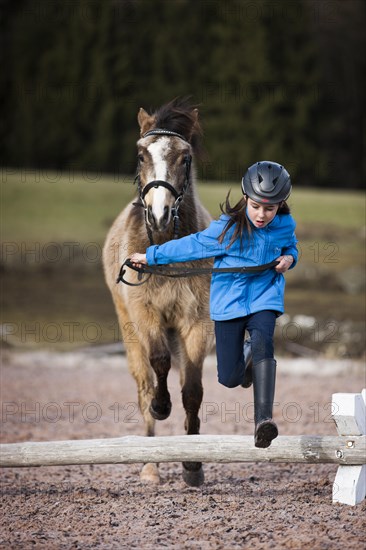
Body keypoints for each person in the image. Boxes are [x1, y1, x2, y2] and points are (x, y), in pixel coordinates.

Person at [130, 161, 298, 448]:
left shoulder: (284, 226)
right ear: (246, 198)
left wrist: (290, 259)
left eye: (270, 209)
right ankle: (245, 358)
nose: (262, 214)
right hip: (229, 306)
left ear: (280, 204)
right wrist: (150, 256)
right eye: (256, 206)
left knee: (263, 342)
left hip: (264, 299)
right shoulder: (227, 229)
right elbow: (189, 246)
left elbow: (291, 246)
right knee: (230, 378)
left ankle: (263, 422)